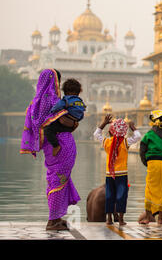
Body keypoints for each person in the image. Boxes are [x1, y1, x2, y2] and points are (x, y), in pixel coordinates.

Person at [20, 69, 81, 231]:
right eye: (57, 82)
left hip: (51, 146)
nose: (58, 86)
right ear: (53, 81)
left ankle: (57, 218)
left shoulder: (36, 102)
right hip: (60, 144)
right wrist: (74, 121)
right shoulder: (52, 100)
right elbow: (65, 121)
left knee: (57, 178)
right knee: (58, 179)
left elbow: (41, 124)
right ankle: (52, 220)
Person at [93, 114, 141, 226]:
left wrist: (104, 123)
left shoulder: (107, 142)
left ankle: (109, 219)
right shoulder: (125, 142)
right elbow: (138, 137)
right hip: (122, 174)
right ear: (124, 132)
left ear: (110, 132)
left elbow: (96, 134)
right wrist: (133, 127)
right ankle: (120, 219)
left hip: (110, 174)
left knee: (109, 195)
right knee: (121, 196)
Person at [138, 110, 162, 225]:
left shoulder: (150, 134)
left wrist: (146, 161)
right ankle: (160, 217)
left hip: (152, 163)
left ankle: (148, 217)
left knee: (149, 189)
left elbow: (142, 148)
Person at [44, 78, 86, 157]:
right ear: (78, 92)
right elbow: (81, 115)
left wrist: (50, 112)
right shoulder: (81, 102)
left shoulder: (66, 100)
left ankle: (56, 145)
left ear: (66, 91)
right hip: (71, 126)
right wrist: (75, 121)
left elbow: (56, 108)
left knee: (47, 129)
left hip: (63, 124)